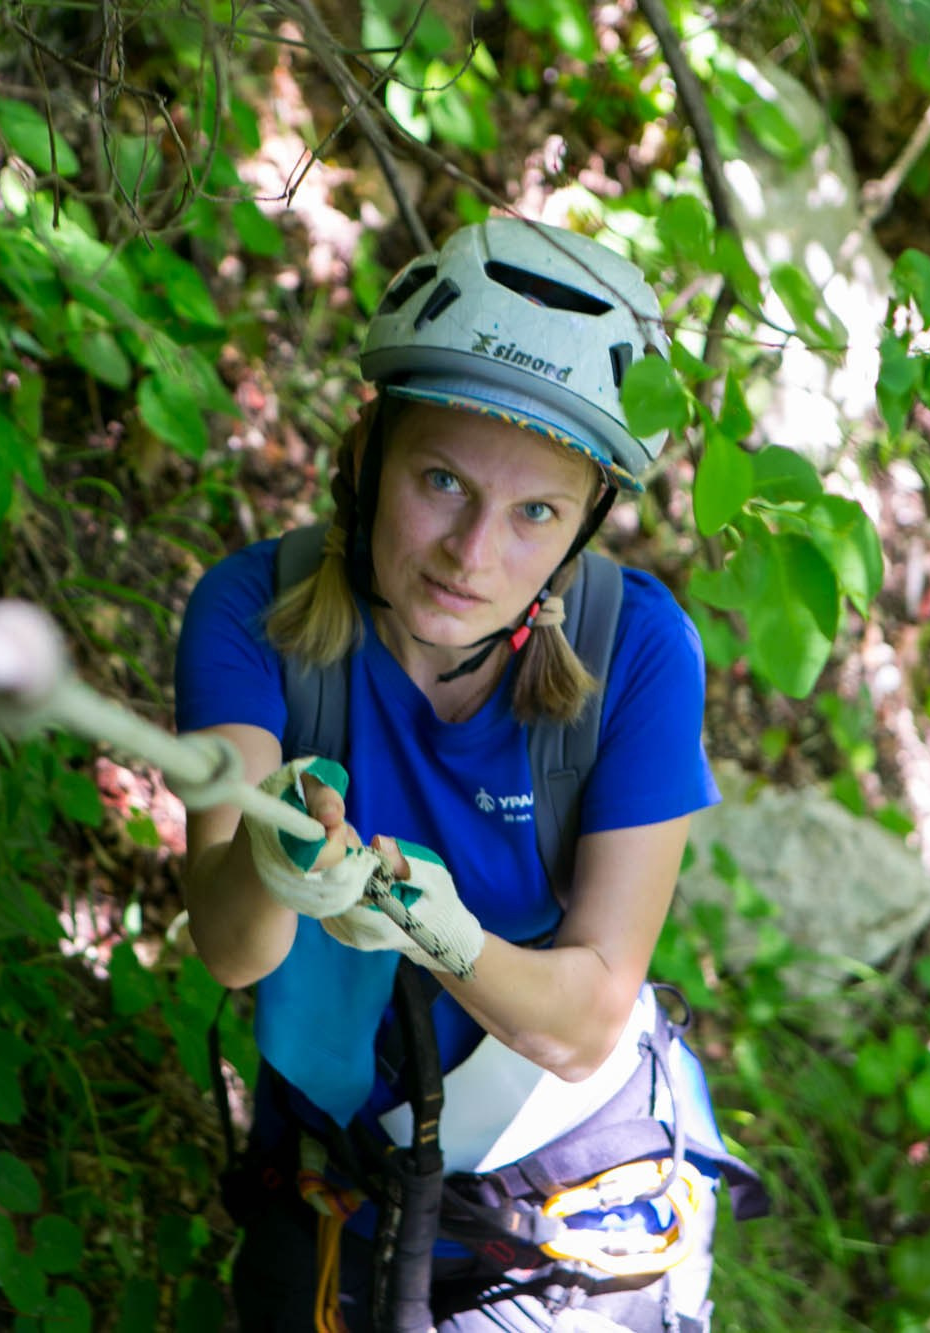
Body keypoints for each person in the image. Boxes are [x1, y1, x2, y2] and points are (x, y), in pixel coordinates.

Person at [174, 216, 762, 1333]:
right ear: (368, 453)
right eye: (441, 480)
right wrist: (268, 856)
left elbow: (586, 1018)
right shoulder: (252, 613)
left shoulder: (638, 651)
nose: (472, 553)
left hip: (562, 1197)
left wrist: (442, 934)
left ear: (584, 525)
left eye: (535, 512)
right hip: (339, 1175)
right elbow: (231, 944)